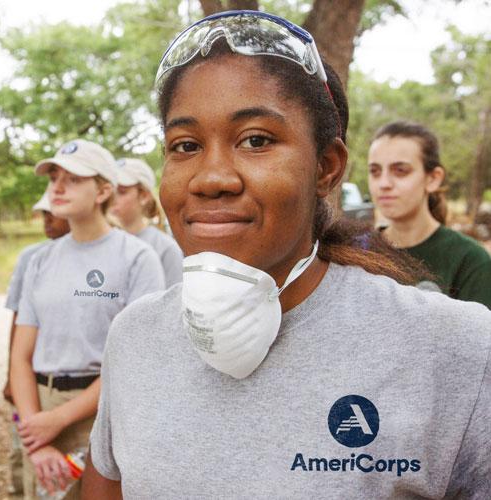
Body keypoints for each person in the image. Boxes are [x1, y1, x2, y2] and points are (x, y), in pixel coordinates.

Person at [83, 11, 490, 499]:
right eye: (185, 145)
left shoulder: (457, 350)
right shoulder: (135, 338)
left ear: (327, 167)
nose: (211, 178)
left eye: (256, 140)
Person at [10, 139, 165, 499]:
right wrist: (36, 439)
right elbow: (20, 356)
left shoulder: (137, 259)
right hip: (42, 408)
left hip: (105, 411)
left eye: (74, 179)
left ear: (104, 190)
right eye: (53, 178)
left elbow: (134, 362)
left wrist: (59, 420)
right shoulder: (39, 261)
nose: (57, 188)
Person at [367, 121, 491, 308]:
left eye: (400, 171)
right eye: (375, 171)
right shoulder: (359, 250)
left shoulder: (469, 260)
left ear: (433, 179)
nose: (384, 183)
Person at [3, 192, 70, 495]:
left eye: (52, 213)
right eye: (43, 215)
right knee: (25, 449)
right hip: (34, 373)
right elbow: (18, 318)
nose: (47, 221)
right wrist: (10, 374)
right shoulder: (33, 257)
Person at [109, 158, 183, 286]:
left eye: (121, 192)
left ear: (143, 196)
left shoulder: (166, 248)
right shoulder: (98, 241)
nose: (112, 199)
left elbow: (174, 301)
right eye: (110, 190)